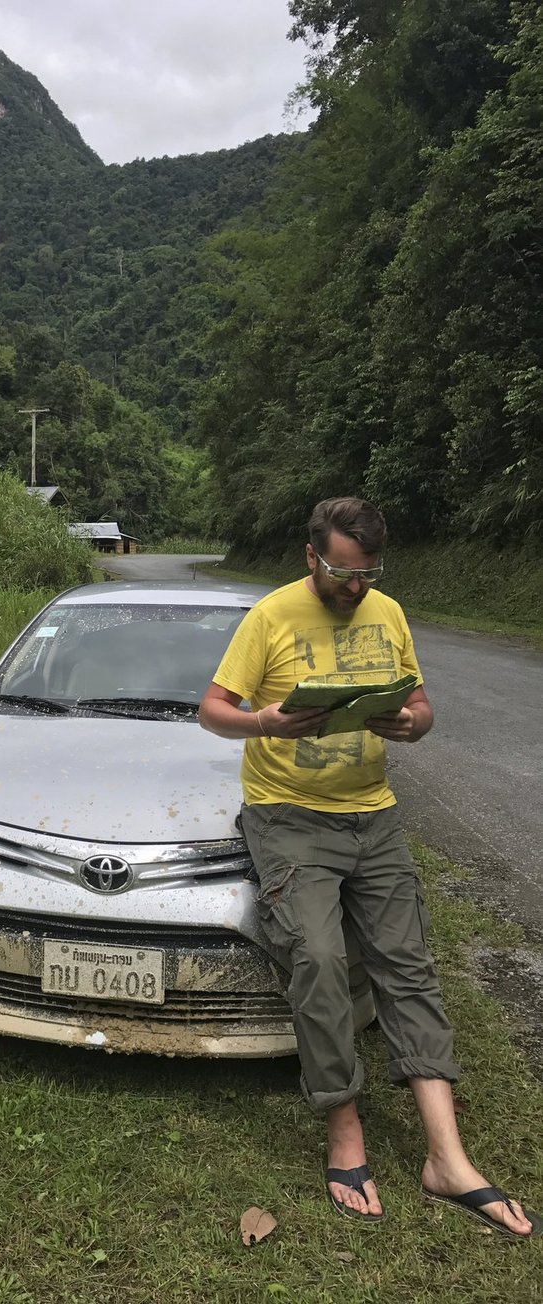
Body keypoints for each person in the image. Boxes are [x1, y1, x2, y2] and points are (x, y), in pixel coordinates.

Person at [199, 496, 539, 1237]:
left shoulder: (386, 612)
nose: (357, 588)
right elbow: (212, 709)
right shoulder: (271, 617)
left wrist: (411, 723)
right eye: (344, 574)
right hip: (288, 816)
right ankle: (344, 1130)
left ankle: (446, 1158)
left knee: (406, 963)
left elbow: (421, 706)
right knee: (318, 959)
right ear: (310, 556)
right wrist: (264, 721)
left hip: (373, 815)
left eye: (369, 574)